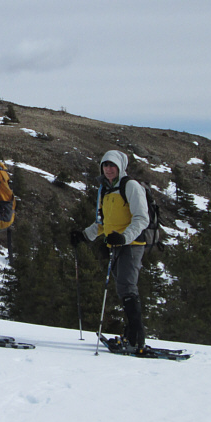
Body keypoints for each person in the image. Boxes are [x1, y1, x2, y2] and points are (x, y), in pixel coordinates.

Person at [70, 149, 150, 349]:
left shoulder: (130, 186)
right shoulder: (105, 189)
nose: (108, 169)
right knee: (122, 288)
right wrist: (84, 235)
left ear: (120, 166)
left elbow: (142, 218)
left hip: (131, 244)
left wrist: (124, 237)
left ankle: (137, 338)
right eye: (105, 165)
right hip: (114, 244)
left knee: (127, 287)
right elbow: (102, 222)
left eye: (112, 165)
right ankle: (130, 333)